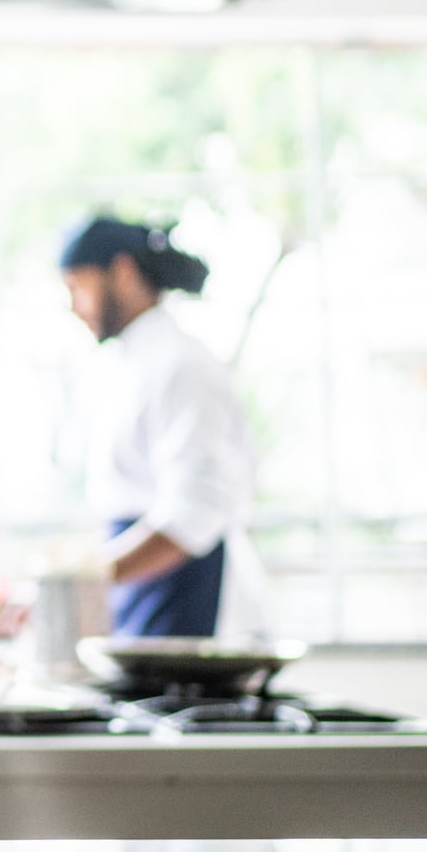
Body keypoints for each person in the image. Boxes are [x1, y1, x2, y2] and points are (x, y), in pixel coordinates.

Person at [60, 217, 263, 639]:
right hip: (146, 602)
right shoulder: (127, 366)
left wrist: (81, 581)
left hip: (192, 603)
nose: (74, 307)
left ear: (122, 271)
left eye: (78, 287)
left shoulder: (181, 364)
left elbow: (195, 513)